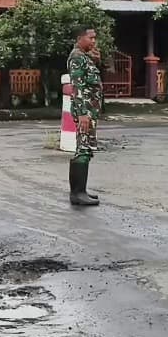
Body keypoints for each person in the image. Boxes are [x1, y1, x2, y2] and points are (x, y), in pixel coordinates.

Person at [67, 27, 102, 206]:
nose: (94, 41)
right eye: (90, 38)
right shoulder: (77, 57)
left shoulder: (85, 57)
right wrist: (82, 113)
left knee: (86, 147)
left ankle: (81, 191)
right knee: (83, 148)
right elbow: (77, 87)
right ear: (80, 38)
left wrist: (95, 61)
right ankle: (77, 193)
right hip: (85, 111)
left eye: (95, 38)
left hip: (90, 110)